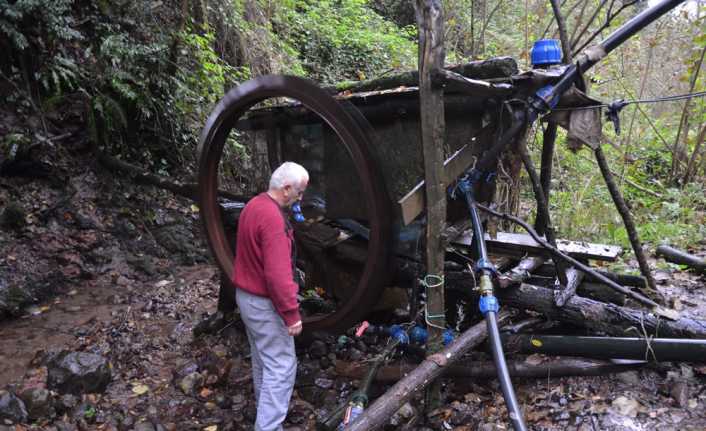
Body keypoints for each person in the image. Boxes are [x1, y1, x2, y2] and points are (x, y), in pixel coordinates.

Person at [233, 161, 308, 431]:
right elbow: (277, 275)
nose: (300, 199)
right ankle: (268, 427)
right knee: (282, 365)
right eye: (299, 193)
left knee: (263, 359)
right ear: (286, 189)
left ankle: (264, 417)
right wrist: (291, 314)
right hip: (264, 304)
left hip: (245, 297)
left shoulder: (254, 205)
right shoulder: (273, 218)